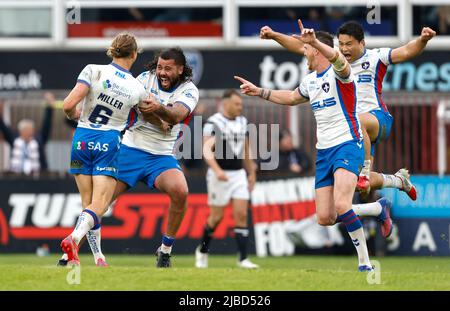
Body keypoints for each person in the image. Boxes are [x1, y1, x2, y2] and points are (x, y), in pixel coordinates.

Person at [235, 22, 392, 271]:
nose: (304, 53)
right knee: (325, 217)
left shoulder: (341, 74)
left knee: (342, 204)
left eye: (307, 50)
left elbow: (337, 58)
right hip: (324, 152)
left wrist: (314, 42)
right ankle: (376, 208)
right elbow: (291, 97)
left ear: (316, 50)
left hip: (348, 145)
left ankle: (365, 263)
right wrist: (259, 91)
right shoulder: (310, 81)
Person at [260, 20, 436, 199]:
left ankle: (366, 172)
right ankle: (398, 181)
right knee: (357, 185)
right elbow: (302, 46)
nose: (344, 49)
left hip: (377, 118)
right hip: (353, 130)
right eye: (341, 44)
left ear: (362, 43)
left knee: (359, 126)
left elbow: (406, 51)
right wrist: (274, 35)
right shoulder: (335, 57)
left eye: (349, 44)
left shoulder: (376, 57)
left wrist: (423, 39)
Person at [59, 33, 147, 266]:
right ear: (134, 54)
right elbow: (148, 117)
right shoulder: (137, 87)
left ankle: (95, 257)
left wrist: (73, 115)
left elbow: (68, 105)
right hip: (108, 141)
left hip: (82, 138)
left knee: (88, 205)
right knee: (100, 205)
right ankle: (72, 240)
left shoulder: (92, 70)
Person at [194, 89, 258, 269]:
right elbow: (206, 150)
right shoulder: (213, 123)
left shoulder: (243, 122)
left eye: (241, 104)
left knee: (242, 214)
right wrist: (217, 170)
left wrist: (251, 171)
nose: (240, 107)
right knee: (216, 217)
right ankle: (202, 250)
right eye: (237, 104)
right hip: (218, 175)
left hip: (238, 174)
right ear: (225, 103)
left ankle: (243, 259)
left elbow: (245, 149)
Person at [0, 92, 55, 177]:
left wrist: (49, 107)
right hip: (16, 176)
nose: (30, 132)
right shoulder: (14, 139)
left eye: (31, 129)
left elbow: (46, 126)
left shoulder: (39, 139)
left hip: (37, 177)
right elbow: (3, 127)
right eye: (27, 129)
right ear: (21, 130)